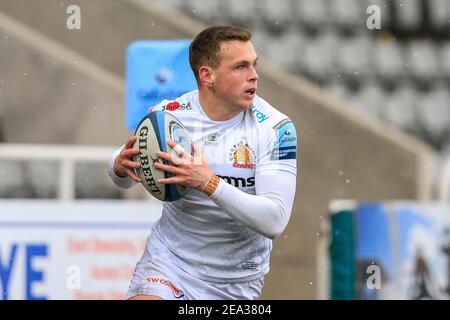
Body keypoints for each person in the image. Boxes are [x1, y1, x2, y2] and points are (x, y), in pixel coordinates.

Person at [108, 25, 297, 300]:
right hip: (170, 263)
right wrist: (118, 166)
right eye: (241, 67)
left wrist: (208, 182)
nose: (254, 76)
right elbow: (122, 177)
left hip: (237, 280)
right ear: (207, 75)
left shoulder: (276, 128)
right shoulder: (168, 116)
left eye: (254, 65)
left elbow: (274, 221)